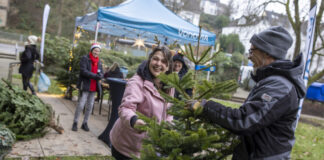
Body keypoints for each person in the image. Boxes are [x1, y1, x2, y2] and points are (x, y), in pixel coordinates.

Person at [189, 26, 306, 159]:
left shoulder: (279, 86)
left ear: (267, 52)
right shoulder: (271, 81)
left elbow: (244, 120)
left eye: (252, 51)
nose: (249, 56)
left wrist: (206, 106)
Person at [109, 46, 174, 159]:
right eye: (155, 59)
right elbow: (126, 108)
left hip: (150, 147)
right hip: (127, 146)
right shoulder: (137, 82)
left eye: (163, 61)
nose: (158, 63)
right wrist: (134, 120)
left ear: (168, 67)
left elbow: (169, 112)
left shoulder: (169, 87)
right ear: (149, 60)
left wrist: (168, 129)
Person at [72, 43, 103, 132]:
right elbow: (83, 71)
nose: (96, 52)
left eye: (98, 51)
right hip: (85, 85)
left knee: (90, 106)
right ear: (91, 50)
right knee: (81, 104)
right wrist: (95, 76)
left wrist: (100, 75)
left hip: (94, 86)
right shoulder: (85, 58)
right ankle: (75, 122)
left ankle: (85, 123)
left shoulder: (99, 61)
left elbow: (101, 72)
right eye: (95, 50)